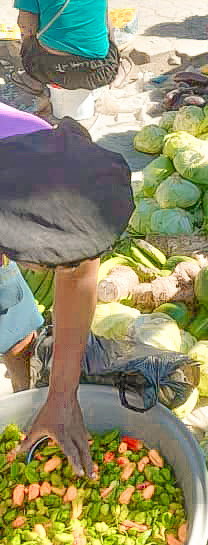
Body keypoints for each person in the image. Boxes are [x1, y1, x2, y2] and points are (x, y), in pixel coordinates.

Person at [0, 101, 133, 476]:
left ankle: (27, 401)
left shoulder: (57, 158)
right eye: (49, 264)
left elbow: (79, 270)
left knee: (14, 328)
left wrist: (61, 395)